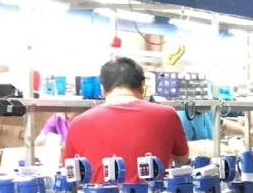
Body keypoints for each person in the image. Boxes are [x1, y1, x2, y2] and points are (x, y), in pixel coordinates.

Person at [60, 57, 189, 182]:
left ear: (102, 89)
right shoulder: (167, 115)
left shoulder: (78, 123)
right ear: (142, 86)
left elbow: (69, 174)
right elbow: (182, 161)